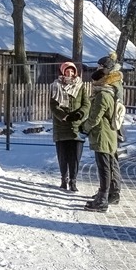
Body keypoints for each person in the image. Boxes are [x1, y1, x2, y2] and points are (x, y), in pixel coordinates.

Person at [80, 52, 124, 212]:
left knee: (106, 166)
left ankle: (106, 197)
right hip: (108, 132)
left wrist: (84, 128)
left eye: (100, 67)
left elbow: (96, 117)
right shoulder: (108, 89)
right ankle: (105, 194)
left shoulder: (106, 91)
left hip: (105, 133)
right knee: (108, 165)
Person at [50, 61, 90, 192]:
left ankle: (73, 181)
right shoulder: (56, 86)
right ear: (63, 72)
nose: (70, 73)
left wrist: (79, 114)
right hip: (61, 126)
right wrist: (64, 116)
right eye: (67, 71)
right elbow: (53, 106)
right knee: (63, 155)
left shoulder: (80, 86)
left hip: (77, 126)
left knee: (75, 156)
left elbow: (86, 104)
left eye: (72, 71)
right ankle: (64, 179)